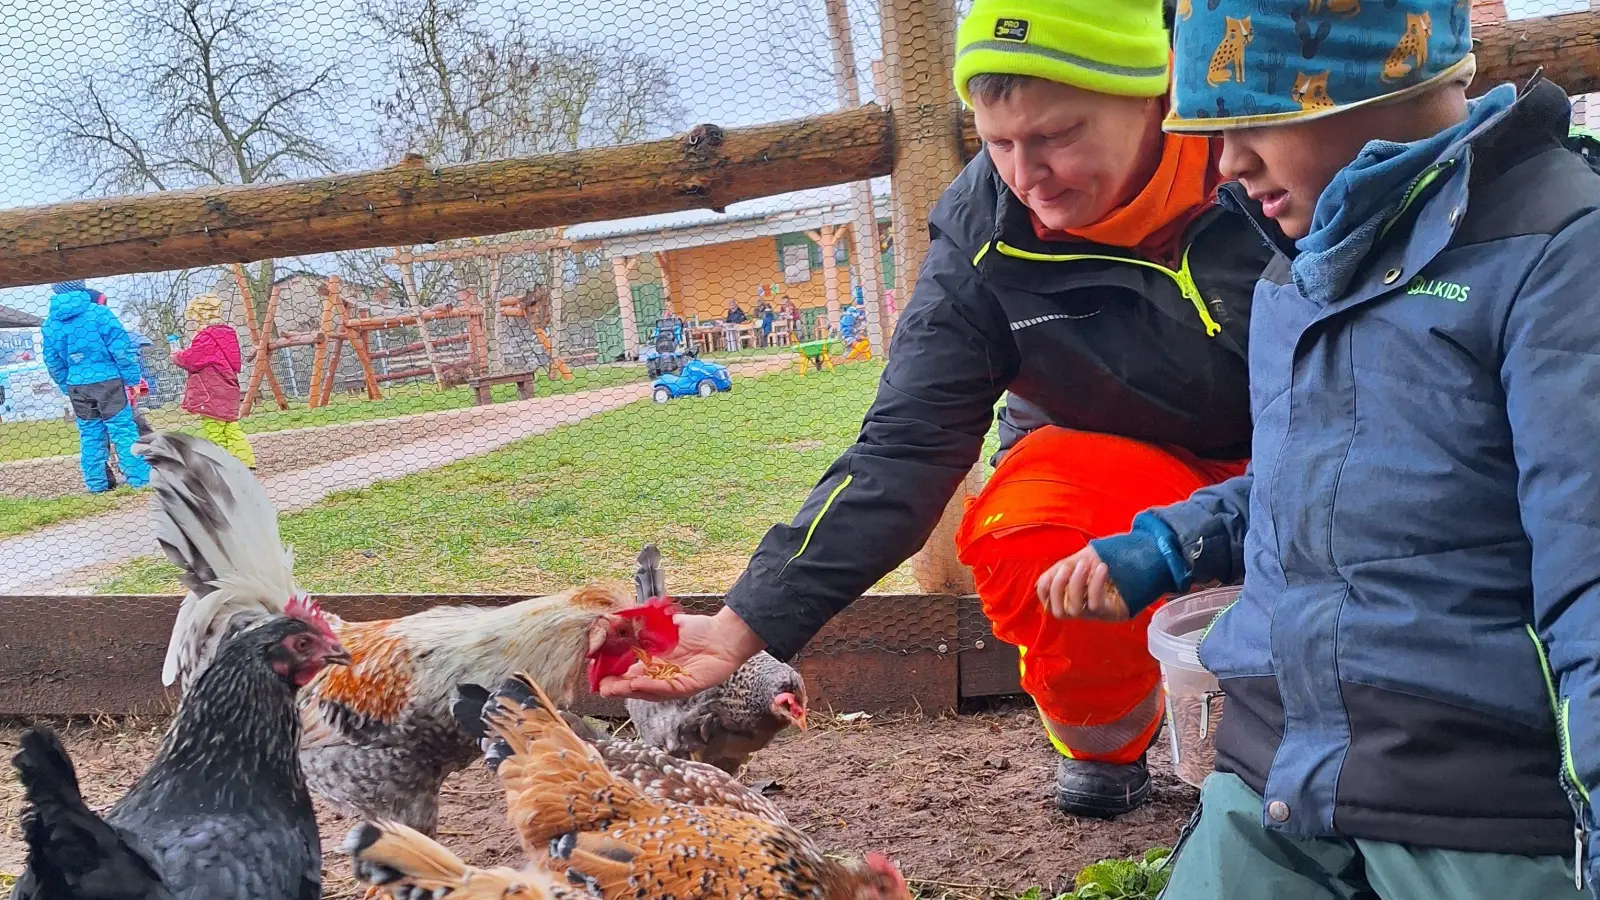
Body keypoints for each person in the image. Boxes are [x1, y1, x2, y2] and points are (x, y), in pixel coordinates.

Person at [602, 0, 1274, 820]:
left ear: (1153, 90)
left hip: (1304, 436)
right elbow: (905, 448)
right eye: (998, 143)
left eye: (1057, 135)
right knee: (1026, 535)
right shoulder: (984, 233)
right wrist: (744, 626)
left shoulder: (1266, 152)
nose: (1026, 175)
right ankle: (1109, 741)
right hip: (1120, 460)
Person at [1035, 2, 1600, 896]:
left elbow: (1590, 574)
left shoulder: (1552, 253)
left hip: (1472, 795)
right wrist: (1170, 543)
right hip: (1275, 769)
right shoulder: (1293, 271)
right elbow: (1317, 484)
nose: (1231, 161)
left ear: (1381, 68)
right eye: (1214, 130)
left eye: (1256, 119)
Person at [40, 279, 151, 492]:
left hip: (77, 384)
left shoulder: (50, 324)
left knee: (90, 434)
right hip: (107, 380)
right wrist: (133, 379)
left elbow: (52, 361)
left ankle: (97, 484)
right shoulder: (99, 314)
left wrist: (66, 385)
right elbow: (121, 349)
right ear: (81, 285)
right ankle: (139, 479)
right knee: (123, 430)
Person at [171, 294, 255, 468]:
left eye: (193, 320)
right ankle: (246, 462)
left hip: (211, 391)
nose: (192, 324)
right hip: (228, 387)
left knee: (213, 429)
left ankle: (220, 464)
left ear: (199, 317)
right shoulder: (226, 335)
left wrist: (176, 355)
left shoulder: (206, 337)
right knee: (231, 427)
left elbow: (192, 360)